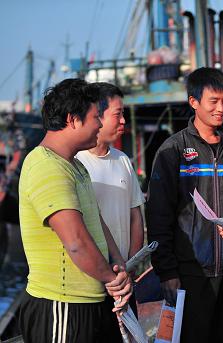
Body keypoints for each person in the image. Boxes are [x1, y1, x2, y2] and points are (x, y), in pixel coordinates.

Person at [146, 67, 223, 343]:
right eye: (214, 101)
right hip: (191, 273)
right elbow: (159, 216)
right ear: (194, 102)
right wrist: (168, 272)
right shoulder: (173, 151)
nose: (222, 108)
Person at [18, 78, 132, 343]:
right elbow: (77, 242)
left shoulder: (75, 166)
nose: (101, 124)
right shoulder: (46, 166)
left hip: (94, 300)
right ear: (73, 119)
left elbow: (97, 220)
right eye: (95, 117)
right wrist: (112, 280)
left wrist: (118, 264)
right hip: (63, 305)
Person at [76, 83, 145, 318]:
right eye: (118, 114)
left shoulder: (123, 160)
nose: (123, 120)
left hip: (125, 279)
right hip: (92, 281)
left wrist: (130, 265)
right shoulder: (76, 163)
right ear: (97, 115)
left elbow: (135, 216)